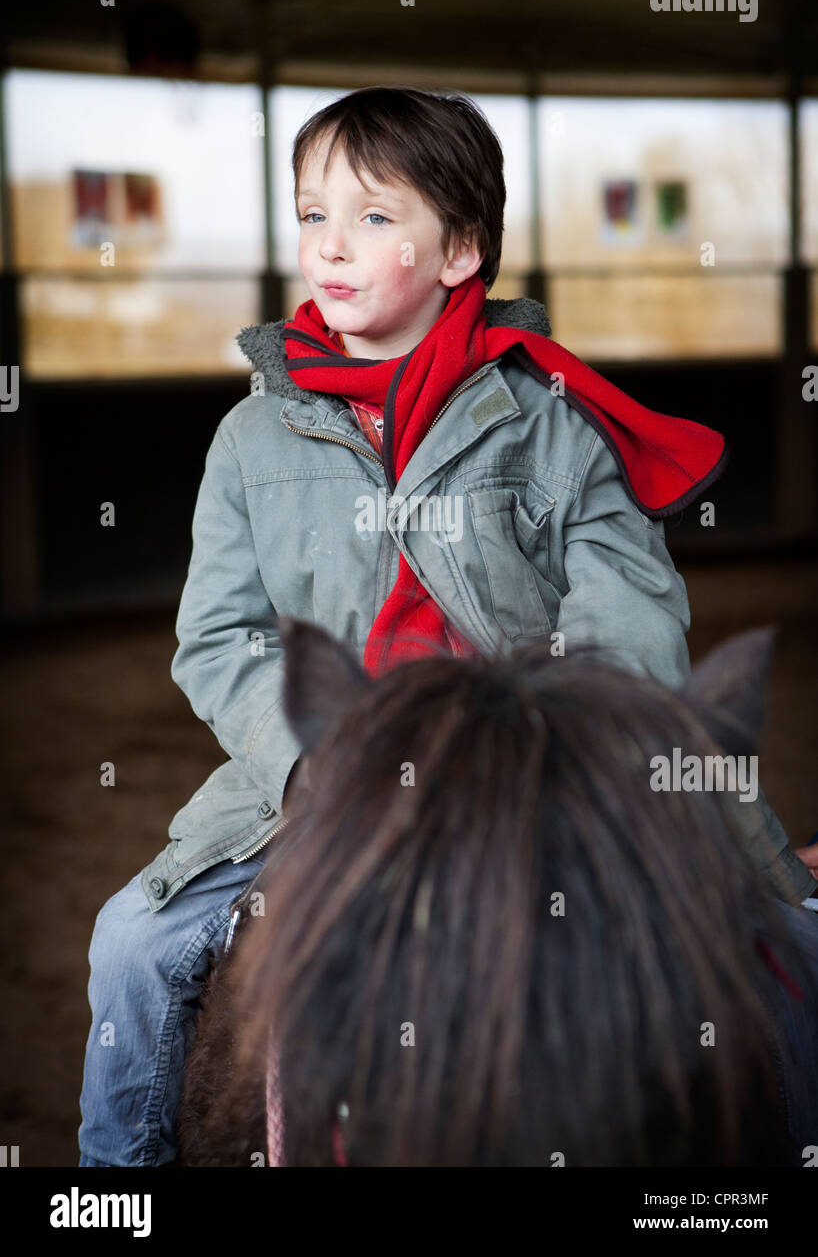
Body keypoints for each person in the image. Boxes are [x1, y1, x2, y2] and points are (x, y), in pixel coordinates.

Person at [78, 86, 818, 1166]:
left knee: (786, 931)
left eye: (374, 218)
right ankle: (118, 1187)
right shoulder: (247, 440)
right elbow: (219, 637)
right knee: (131, 945)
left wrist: (548, 748)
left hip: (541, 760)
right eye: (311, 214)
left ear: (459, 250)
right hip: (325, 768)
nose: (329, 247)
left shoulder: (556, 426)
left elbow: (631, 620)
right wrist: (311, 765)